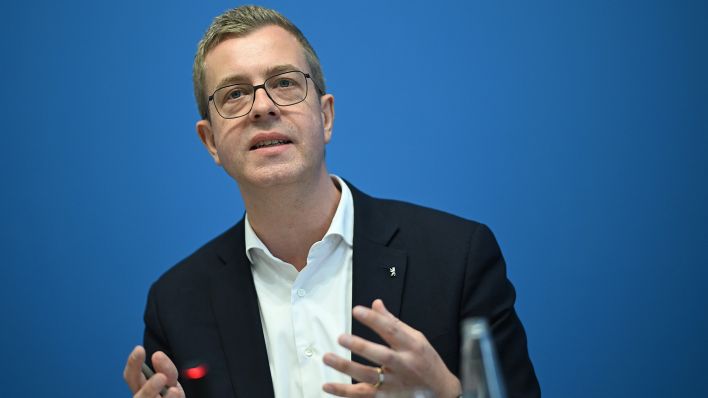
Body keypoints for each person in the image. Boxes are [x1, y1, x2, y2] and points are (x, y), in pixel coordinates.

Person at [123, 5, 540, 398]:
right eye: (234, 93)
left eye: (284, 82)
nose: (262, 107)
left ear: (325, 117)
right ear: (210, 141)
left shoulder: (457, 258)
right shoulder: (177, 304)